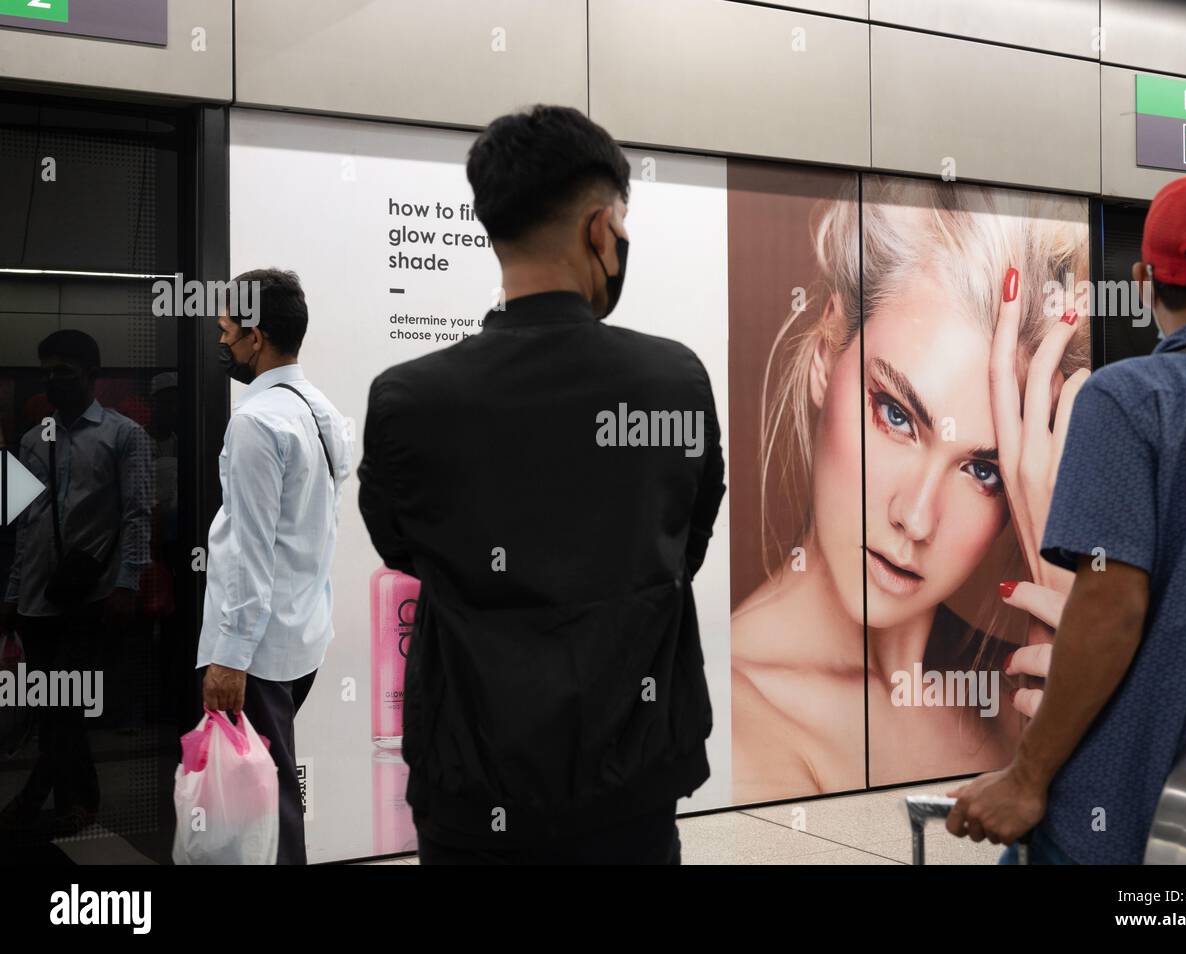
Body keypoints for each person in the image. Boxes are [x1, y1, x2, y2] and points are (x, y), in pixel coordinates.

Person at [359, 105, 725, 865]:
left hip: (470, 782)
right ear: (601, 228)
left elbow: (403, 549)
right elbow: (684, 547)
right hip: (630, 781)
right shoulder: (674, 381)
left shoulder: (408, 398)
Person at [947, 172, 1186, 865]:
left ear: (1143, 280)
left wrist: (1028, 776)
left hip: (1126, 812)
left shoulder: (1128, 399)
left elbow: (1110, 610)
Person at [731, 176, 1090, 799]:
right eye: (897, 415)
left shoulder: (1029, 694)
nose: (917, 519)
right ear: (825, 351)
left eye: (984, 469)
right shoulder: (733, 724)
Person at [196, 268, 353, 865]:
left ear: (255, 337)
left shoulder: (258, 421)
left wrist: (229, 658)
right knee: (262, 791)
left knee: (271, 801)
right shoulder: (322, 411)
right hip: (301, 636)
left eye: (227, 330)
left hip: (259, 651)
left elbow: (251, 550)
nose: (221, 342)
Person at [0, 330, 152, 840]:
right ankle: (49, 795)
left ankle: (69, 799)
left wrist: (127, 583)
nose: (51, 381)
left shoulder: (125, 435)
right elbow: (24, 524)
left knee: (64, 703)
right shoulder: (29, 439)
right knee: (51, 703)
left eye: (62, 371)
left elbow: (136, 516)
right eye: (46, 371)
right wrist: (13, 593)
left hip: (92, 593)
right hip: (40, 595)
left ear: (92, 374)